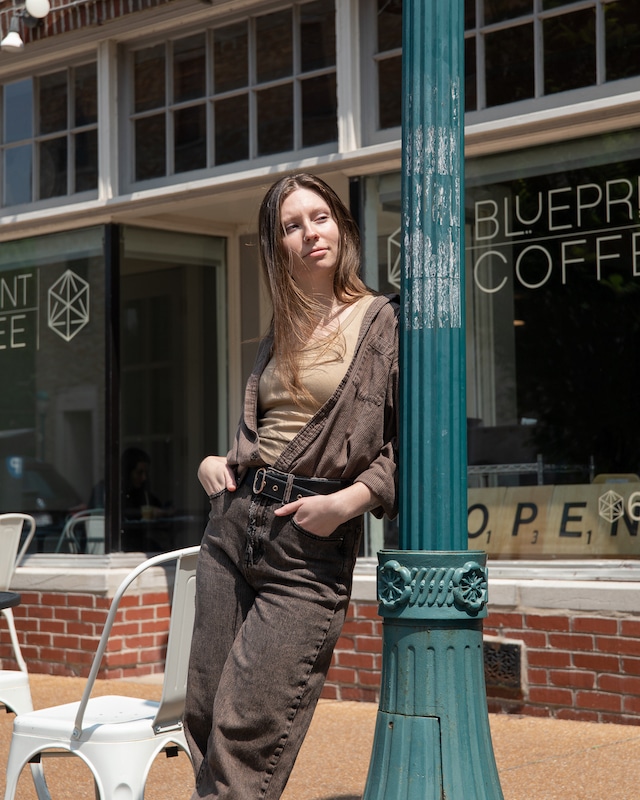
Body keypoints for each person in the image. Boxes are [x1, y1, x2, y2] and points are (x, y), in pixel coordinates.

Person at [184, 173, 399, 800]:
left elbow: (404, 445)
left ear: (341, 225)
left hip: (306, 546)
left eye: (320, 217)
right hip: (232, 525)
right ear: (276, 245)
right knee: (202, 712)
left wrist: (347, 503)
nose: (310, 233)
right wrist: (214, 464)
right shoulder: (280, 328)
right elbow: (269, 433)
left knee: (247, 731)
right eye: (292, 225)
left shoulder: (379, 321)